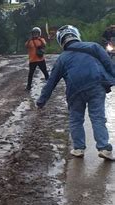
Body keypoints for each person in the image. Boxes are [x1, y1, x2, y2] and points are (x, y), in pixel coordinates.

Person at [37, 25, 115, 160]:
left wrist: (41, 101)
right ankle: (104, 148)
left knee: (76, 119)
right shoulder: (93, 46)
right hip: (96, 85)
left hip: (74, 91)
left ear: (61, 41)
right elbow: (108, 64)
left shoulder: (62, 58)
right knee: (97, 117)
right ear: (76, 35)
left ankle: (78, 148)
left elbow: (51, 82)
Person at [25, 27, 49, 91]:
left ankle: (50, 85)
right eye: (34, 33)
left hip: (41, 59)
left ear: (39, 34)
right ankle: (28, 86)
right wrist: (30, 39)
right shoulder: (30, 41)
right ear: (32, 34)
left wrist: (40, 39)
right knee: (31, 74)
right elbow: (26, 46)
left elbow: (44, 44)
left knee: (45, 72)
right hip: (32, 60)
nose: (35, 34)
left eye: (36, 33)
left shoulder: (41, 39)